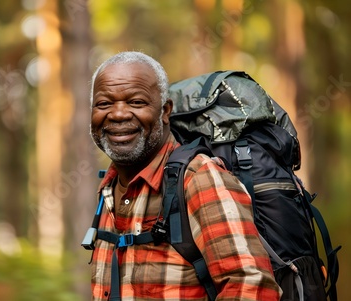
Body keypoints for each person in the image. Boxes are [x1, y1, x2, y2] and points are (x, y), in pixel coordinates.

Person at [88, 51, 281, 300]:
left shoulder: (198, 179)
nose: (118, 114)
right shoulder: (109, 189)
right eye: (104, 104)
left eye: (136, 102)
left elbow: (252, 287)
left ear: (165, 111)